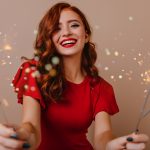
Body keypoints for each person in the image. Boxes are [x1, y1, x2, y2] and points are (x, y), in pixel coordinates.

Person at [0, 2, 149, 150]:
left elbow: (103, 136)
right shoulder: (34, 72)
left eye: (74, 25)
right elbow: (31, 126)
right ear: (49, 38)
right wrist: (21, 136)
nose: (66, 33)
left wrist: (113, 145)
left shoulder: (101, 87)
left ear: (86, 35)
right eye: (57, 28)